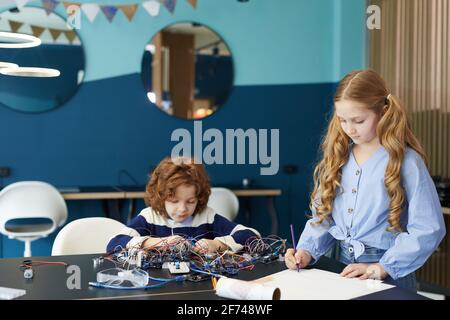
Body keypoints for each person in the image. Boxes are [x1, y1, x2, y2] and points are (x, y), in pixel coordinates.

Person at [285, 69, 446, 291]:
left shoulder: (407, 162)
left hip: (389, 273)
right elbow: (323, 218)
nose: (349, 129)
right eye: (342, 120)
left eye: (359, 120)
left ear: (383, 111)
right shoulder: (337, 157)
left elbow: (429, 228)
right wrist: (305, 251)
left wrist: (381, 267)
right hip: (343, 270)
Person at [107, 156, 260, 254]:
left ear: (199, 198)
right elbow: (114, 243)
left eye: (190, 201)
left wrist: (217, 243)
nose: (182, 209)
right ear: (161, 196)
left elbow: (252, 235)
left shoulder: (206, 217)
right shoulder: (150, 217)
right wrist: (158, 242)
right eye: (174, 201)